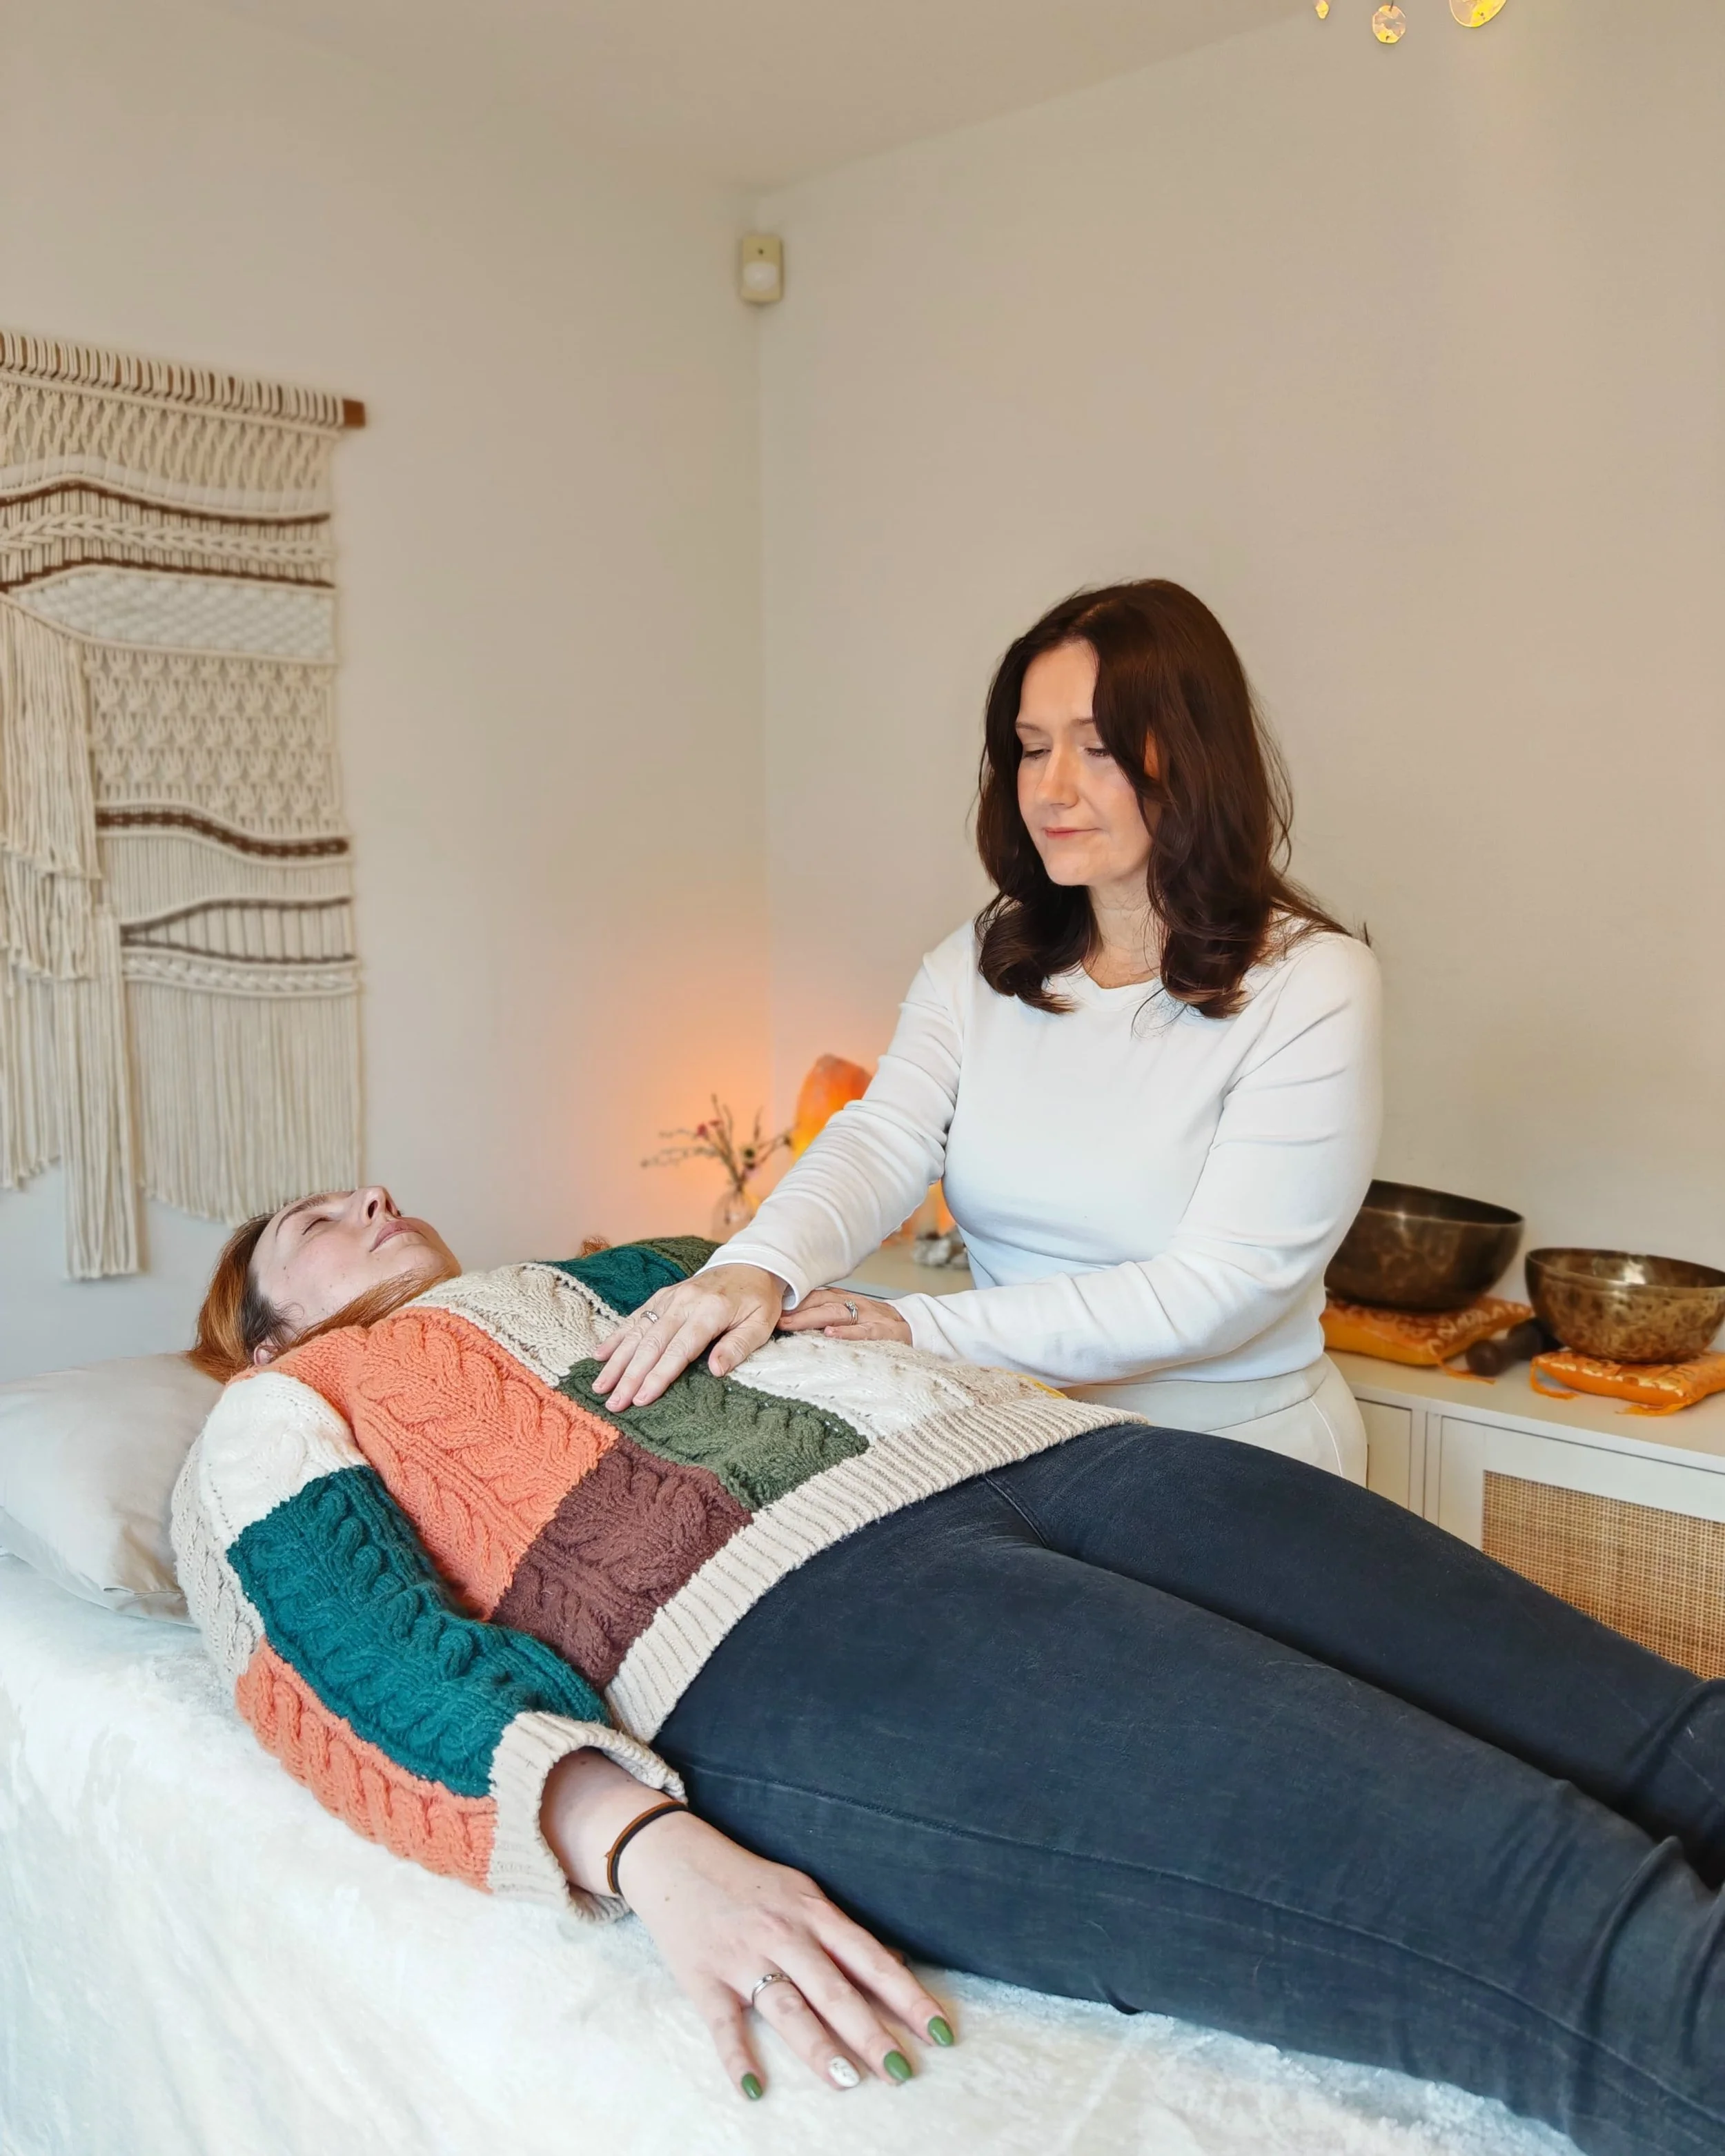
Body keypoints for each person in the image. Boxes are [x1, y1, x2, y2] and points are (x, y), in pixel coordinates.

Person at [181, 1188, 1725, 2156]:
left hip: (1071, 1457)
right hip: (805, 1622)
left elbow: (844, 1302)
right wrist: (635, 1838)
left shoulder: (627, 1263)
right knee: (1561, 1910)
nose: (370, 1193)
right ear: (266, 1333)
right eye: (316, 1220)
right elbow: (344, 1651)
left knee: (1670, 1737)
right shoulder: (285, 1407)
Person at [592, 581, 1381, 1482]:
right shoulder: (982, 962)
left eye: (1098, 748)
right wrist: (758, 1265)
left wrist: (920, 1326)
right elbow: (884, 1136)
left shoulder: (1313, 986)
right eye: (1031, 748)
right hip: (1018, 1436)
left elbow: (1221, 1291)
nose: (1051, 788)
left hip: (1236, 1459)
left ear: (1196, 758)